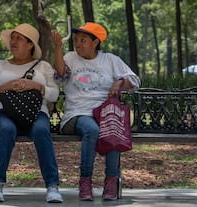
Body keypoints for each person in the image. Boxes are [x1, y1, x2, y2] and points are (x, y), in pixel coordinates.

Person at [52, 22, 140, 201]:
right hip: (76, 114)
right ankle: (85, 182)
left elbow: (135, 81)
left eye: (83, 40)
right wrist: (58, 48)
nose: (78, 44)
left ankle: (111, 182)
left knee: (112, 129)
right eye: (76, 40)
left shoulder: (110, 60)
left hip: (104, 114)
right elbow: (61, 75)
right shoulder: (70, 57)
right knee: (92, 130)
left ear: (95, 42)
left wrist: (119, 82)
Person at [0, 24, 63, 203]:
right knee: (7, 130)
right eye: (12, 38)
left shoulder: (43, 66)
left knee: (42, 131)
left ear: (30, 45)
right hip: (4, 112)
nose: (13, 41)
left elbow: (55, 94)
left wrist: (36, 86)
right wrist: (4, 88)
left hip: (36, 112)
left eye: (19, 38)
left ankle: (52, 186)